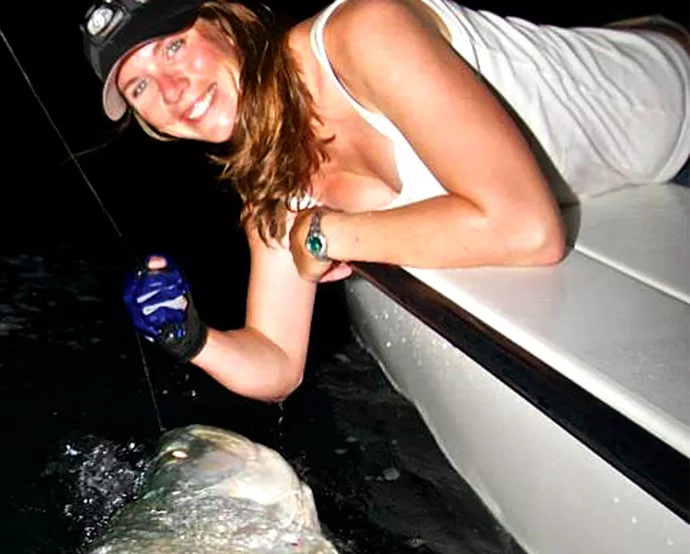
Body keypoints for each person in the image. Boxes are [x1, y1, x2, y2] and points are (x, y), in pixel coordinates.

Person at [85, 0, 690, 402]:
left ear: (227, 20)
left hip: (677, 100)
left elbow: (528, 229)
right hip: (640, 165)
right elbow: (277, 363)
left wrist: (330, 234)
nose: (169, 89)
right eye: (139, 85)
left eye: (171, 47)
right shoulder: (271, 188)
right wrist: (193, 338)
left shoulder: (363, 32)